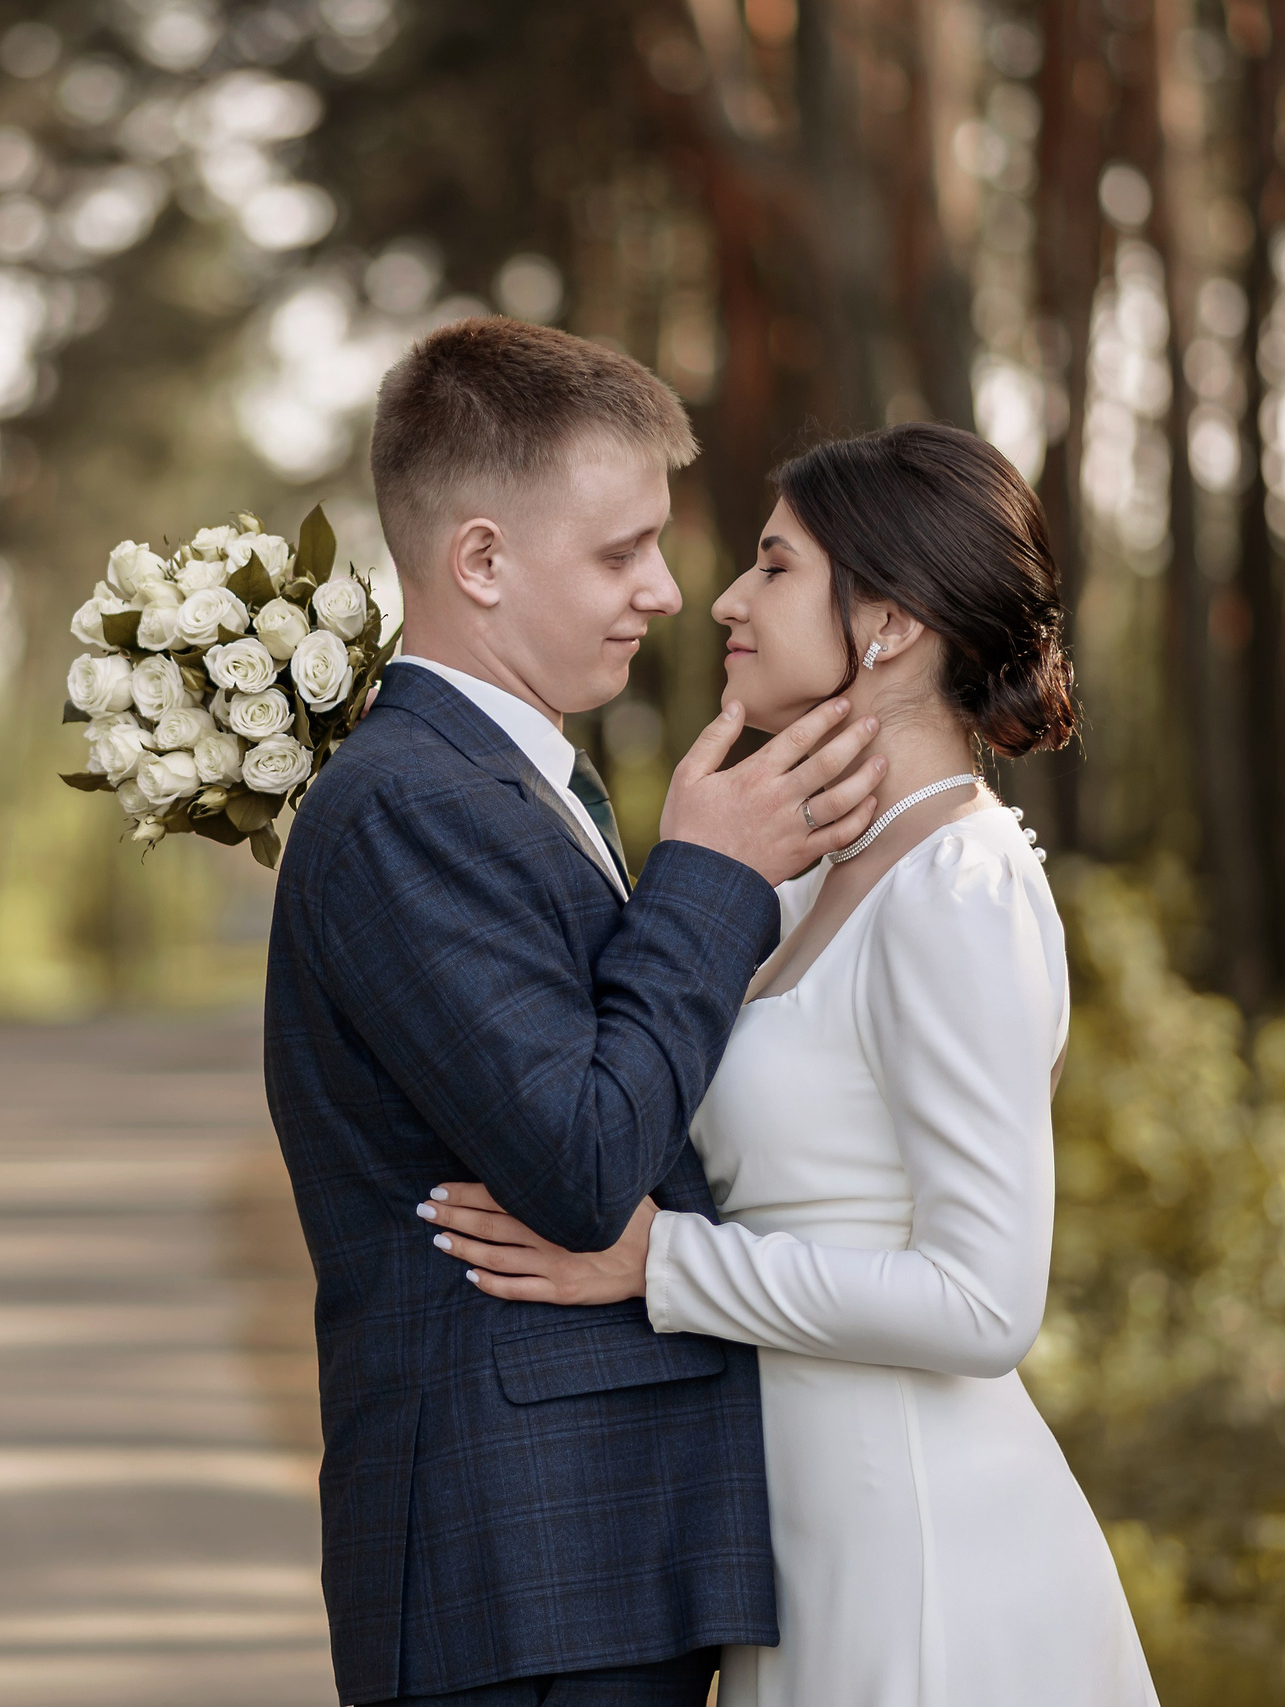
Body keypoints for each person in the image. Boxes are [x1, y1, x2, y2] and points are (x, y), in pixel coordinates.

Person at [418, 422, 1163, 1705]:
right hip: (798, 1540)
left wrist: (661, 1263)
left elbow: (987, 1306)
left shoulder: (961, 890)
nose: (721, 598)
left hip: (922, 1550)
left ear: (888, 624)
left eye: (772, 567)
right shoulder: (812, 878)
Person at [264, 317, 889, 1706]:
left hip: (588, 1555)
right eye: (620, 552)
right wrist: (711, 879)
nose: (669, 592)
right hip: (523, 1571)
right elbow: (581, 1157)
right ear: (480, 560)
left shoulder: (508, 784)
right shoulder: (408, 805)